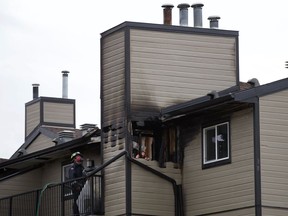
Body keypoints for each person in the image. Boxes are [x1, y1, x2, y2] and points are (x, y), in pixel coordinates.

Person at [69, 152, 86, 216]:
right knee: (77, 200)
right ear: (74, 159)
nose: (79, 159)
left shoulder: (82, 168)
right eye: (77, 157)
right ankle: (76, 214)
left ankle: (82, 212)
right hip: (76, 188)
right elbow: (72, 178)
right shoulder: (72, 168)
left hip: (83, 187)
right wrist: (76, 186)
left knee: (82, 200)